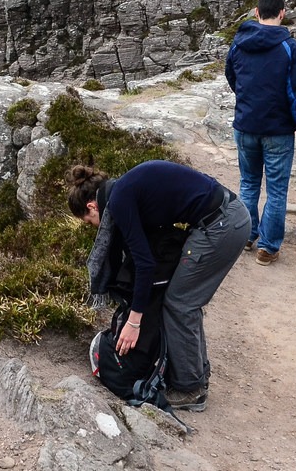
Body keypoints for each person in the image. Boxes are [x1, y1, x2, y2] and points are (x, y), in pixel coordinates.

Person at [70, 161, 250, 413]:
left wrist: (134, 322)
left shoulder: (119, 200)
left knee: (180, 303)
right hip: (227, 217)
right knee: (185, 302)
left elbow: (145, 264)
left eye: (90, 221)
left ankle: (190, 389)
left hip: (221, 226)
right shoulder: (123, 189)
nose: (96, 227)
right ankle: (196, 375)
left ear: (91, 206)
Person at [225, 0, 296, 265]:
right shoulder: (290, 47)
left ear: (256, 12)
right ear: (282, 13)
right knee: (276, 190)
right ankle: (268, 247)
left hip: (245, 124)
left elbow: (231, 76)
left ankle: (246, 236)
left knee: (249, 183)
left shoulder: (239, 43)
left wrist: (247, 99)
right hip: (277, 129)